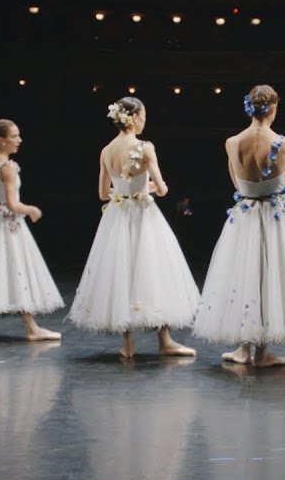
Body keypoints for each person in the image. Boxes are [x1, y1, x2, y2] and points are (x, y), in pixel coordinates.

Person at [193, 86, 285, 366]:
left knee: (245, 275)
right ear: (274, 108)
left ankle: (243, 350)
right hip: (274, 217)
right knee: (270, 277)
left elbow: (237, 183)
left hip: (245, 215)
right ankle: (262, 353)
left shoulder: (233, 142)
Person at [67, 97, 198, 359]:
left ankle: (127, 343)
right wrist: (150, 188)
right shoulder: (144, 147)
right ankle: (165, 340)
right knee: (154, 271)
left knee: (121, 272)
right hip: (142, 214)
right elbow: (161, 188)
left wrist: (126, 190)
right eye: (144, 115)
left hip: (117, 214)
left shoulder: (106, 150)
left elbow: (104, 194)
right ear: (135, 117)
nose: (145, 120)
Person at [0, 118, 63, 341]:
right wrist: (31, 210)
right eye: (14, 136)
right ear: (1, 140)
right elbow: (12, 204)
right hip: (8, 223)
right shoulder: (7, 167)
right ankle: (31, 328)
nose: (19, 140)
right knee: (17, 271)